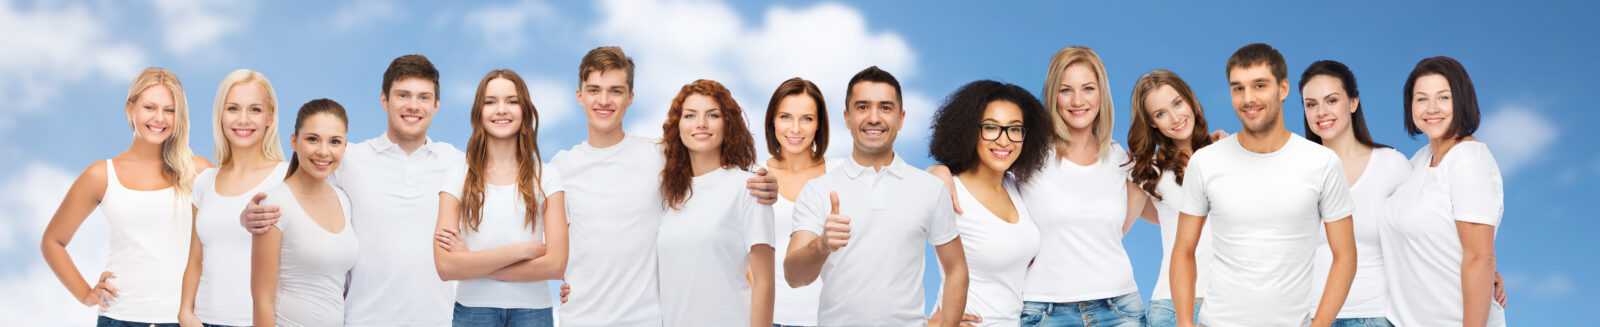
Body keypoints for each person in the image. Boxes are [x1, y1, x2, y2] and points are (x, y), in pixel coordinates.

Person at [549, 46, 777, 327]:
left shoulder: (658, 156)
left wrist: (769, 181)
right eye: (594, 90)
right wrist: (572, 283)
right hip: (582, 318)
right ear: (579, 95)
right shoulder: (559, 167)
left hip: (646, 320)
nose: (604, 100)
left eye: (616, 91)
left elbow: (711, 171)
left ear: (631, 97)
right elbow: (552, 249)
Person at [240, 54, 464, 326]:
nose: (413, 105)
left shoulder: (456, 162)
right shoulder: (350, 158)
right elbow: (296, 185)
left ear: (437, 105)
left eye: (423, 97)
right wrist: (248, 215)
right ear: (384, 100)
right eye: (403, 95)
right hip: (362, 320)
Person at [1172, 43, 1358, 327]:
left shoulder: (1322, 163)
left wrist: (1320, 324)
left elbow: (1345, 255)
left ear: (1283, 89)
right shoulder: (1206, 162)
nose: (1248, 98)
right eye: (1238, 88)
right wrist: (1185, 323)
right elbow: (1183, 251)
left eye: (1259, 85)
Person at [782, 66, 969, 326]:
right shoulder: (818, 190)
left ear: (901, 118)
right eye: (862, 107)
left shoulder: (930, 188)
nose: (873, 118)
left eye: (885, 107)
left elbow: (956, 269)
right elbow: (794, 276)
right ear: (847, 117)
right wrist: (822, 245)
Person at [41, 67, 210, 327]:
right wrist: (86, 294)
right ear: (131, 109)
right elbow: (53, 241)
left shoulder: (198, 171)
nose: (159, 118)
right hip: (120, 318)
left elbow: (232, 233)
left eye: (169, 110)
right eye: (149, 107)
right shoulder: (101, 175)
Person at [1017, 46, 1147, 327]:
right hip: (1045, 311)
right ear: (1053, 96)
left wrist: (1206, 150)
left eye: (1088, 88)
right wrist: (940, 171)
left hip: (1120, 308)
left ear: (1102, 94)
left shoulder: (1119, 158)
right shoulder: (1029, 155)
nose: (1078, 101)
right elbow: (977, 182)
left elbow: (1171, 210)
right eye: (1066, 90)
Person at [431, 69, 568, 327]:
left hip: (533, 313)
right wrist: (522, 251)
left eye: (512, 101)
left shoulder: (547, 176)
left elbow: (556, 264)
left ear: (524, 110)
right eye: (491, 102)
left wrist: (472, 262)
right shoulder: (456, 175)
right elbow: (446, 267)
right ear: (478, 112)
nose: (501, 110)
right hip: (474, 312)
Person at [1382, 56, 1508, 327]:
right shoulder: (1420, 159)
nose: (1432, 108)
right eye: (1421, 99)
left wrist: (1486, 268)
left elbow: (1479, 257)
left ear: (1461, 101)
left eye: (1443, 97)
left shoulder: (1469, 160)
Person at [926, 80, 1052, 326]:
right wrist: (929, 324)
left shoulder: (1017, 187)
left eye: (1014, 129)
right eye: (991, 128)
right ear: (969, 131)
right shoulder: (947, 189)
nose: (1004, 141)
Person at [655, 79, 776, 327]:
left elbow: (764, 282)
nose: (701, 123)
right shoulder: (668, 194)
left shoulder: (750, 187)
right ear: (678, 126)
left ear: (727, 124)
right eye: (690, 115)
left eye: (713, 115)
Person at [180, 69, 289, 327]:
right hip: (203, 321)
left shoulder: (287, 178)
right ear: (220, 115)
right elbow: (195, 258)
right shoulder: (205, 181)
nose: (243, 119)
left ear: (270, 117)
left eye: (255, 110)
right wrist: (185, 313)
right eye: (233, 109)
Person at [249, 99, 358, 326]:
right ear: (294, 141)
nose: (323, 151)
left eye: (335, 141)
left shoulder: (344, 200)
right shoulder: (275, 204)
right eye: (312, 139)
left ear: (345, 146)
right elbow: (262, 300)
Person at [1122, 69, 1216, 327]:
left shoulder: (1226, 154)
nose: (1175, 118)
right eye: (1160, 114)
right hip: (1173, 306)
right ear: (1152, 123)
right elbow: (1116, 229)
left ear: (1190, 100)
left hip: (1231, 302)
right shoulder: (1149, 171)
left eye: (1177, 103)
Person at [761, 77, 833, 327]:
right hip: (769, 318)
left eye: (807, 119)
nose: (795, 129)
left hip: (830, 318)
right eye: (785, 117)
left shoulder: (842, 173)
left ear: (819, 125)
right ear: (772, 120)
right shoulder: (753, 176)